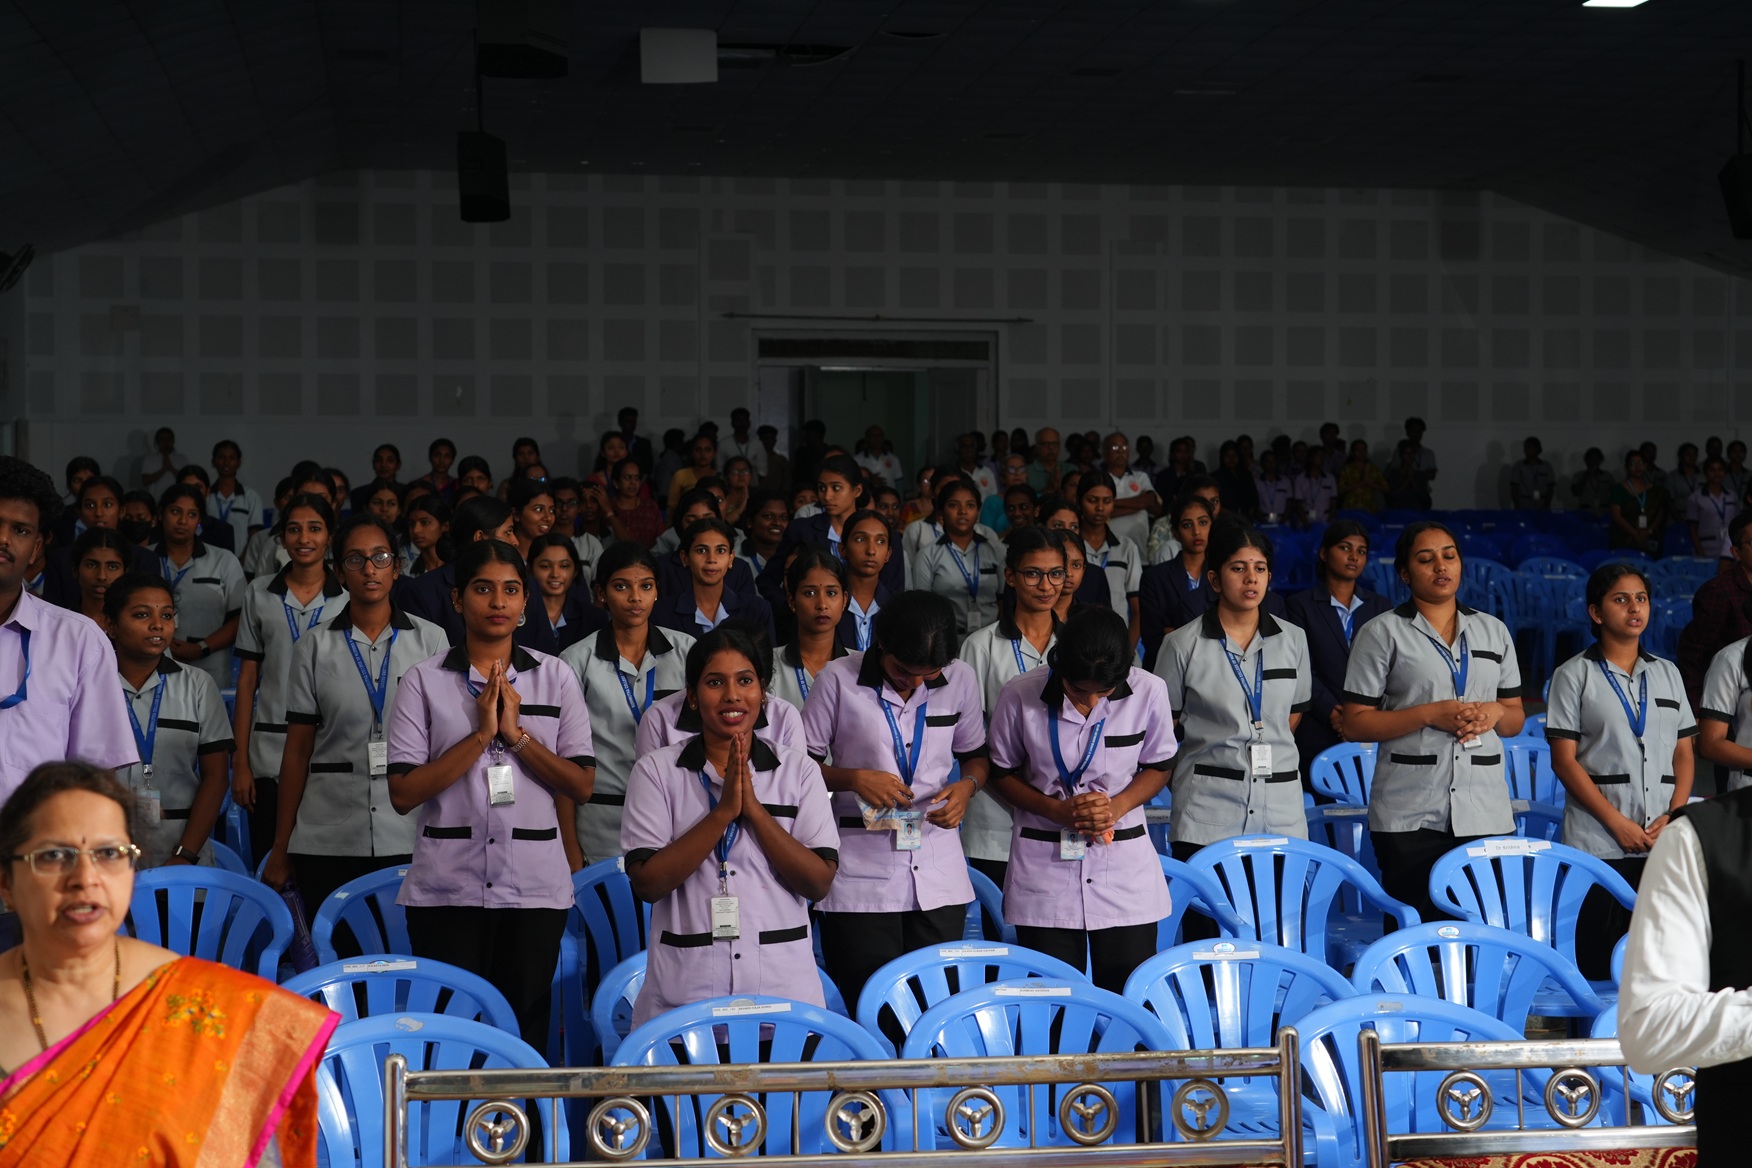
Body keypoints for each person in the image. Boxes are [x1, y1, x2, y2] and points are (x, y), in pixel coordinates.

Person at [0, 762, 337, 1165]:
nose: (85, 878)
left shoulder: (208, 1007)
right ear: (6, 883)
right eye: (55, 855)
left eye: (109, 853)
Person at [385, 539, 596, 1047]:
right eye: (483, 589)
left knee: (523, 1031)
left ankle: (524, 1128)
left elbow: (581, 784)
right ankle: (454, 1129)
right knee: (454, 1035)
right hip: (446, 889)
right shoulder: (423, 680)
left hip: (533, 887)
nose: (498, 602)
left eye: (510, 590)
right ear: (458, 600)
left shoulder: (557, 676)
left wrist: (516, 736)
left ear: (526, 603)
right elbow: (403, 792)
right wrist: (481, 736)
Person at [621, 626, 838, 1026]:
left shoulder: (799, 770)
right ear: (691, 695)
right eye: (715, 682)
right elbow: (648, 884)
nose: (732, 696)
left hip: (783, 996)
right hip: (685, 999)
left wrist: (754, 812)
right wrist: (721, 814)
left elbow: (818, 883)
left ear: (763, 692)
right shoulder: (656, 771)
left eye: (745, 681)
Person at [801, 590, 988, 1010]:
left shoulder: (961, 680)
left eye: (929, 674)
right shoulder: (837, 678)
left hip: (937, 867)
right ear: (881, 642)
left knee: (936, 1002)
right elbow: (798, 768)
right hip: (860, 870)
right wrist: (852, 778)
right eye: (905, 672)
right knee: (868, 1000)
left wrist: (967, 787)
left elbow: (976, 756)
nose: (916, 682)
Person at [258, 516, 450, 917]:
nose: (369, 569)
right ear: (339, 572)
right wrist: (281, 847)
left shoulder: (431, 640)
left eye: (380, 558)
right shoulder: (313, 645)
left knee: (406, 960)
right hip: (328, 838)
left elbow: (443, 746)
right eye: (355, 559)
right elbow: (296, 753)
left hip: (411, 832)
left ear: (396, 568)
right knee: (340, 958)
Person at [1341, 522, 1526, 923]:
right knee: (1418, 937)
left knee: (1481, 930)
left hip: (1484, 806)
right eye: (1425, 559)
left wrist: (1494, 712)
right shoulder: (1381, 633)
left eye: (1449, 556)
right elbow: (1355, 723)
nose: (1440, 566)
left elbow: (1514, 718)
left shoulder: (1493, 631)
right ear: (1405, 574)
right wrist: (1428, 714)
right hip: (1410, 810)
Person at [988, 607, 1174, 991]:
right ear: (1059, 665)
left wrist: (1116, 806)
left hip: (1123, 864)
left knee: (1129, 995)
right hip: (1046, 858)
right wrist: (1056, 810)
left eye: (1102, 692)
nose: (1089, 700)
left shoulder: (1149, 690)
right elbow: (1000, 772)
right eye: (1077, 691)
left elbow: (1160, 764)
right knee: (1052, 1003)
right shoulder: (1020, 694)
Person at [1547, 564, 1695, 978]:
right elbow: (1564, 760)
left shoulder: (1667, 673)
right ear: (1596, 613)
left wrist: (1676, 815)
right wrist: (1616, 823)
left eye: (1641, 598)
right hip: (1599, 839)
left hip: (1660, 837)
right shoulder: (1572, 675)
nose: (1634, 608)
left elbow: (1684, 754)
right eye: (1621, 599)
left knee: (1654, 962)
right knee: (1597, 960)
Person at [1154, 521, 1312, 855]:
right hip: (1207, 809)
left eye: (1260, 568)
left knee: (1280, 906)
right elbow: (1162, 730)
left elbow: (1294, 711)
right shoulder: (1181, 644)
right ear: (1214, 579)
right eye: (1238, 568)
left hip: (1281, 807)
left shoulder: (1294, 639)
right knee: (1208, 907)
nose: (1251, 578)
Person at [560, 541, 696, 866]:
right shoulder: (575, 661)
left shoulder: (688, 652)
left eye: (645, 586)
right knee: (610, 912)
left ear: (657, 592)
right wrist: (569, 850)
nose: (635, 597)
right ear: (601, 593)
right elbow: (562, 763)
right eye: (621, 587)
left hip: (676, 813)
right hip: (601, 818)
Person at [232, 495, 346, 869]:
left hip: (327, 747)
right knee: (269, 861)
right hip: (268, 749)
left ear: (330, 536)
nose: (304, 538)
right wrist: (242, 763)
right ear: (281, 537)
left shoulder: (347, 599)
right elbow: (247, 680)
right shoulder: (259, 592)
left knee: (317, 864)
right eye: (293, 529)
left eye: (315, 528)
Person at [957, 527, 1065, 888]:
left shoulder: (1078, 642)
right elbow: (970, 735)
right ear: (1011, 576)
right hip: (997, 806)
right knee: (998, 928)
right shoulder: (980, 645)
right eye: (1033, 573)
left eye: (1056, 574)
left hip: (1062, 801)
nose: (1046, 585)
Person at [104, 572, 233, 868]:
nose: (157, 625)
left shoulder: (199, 684)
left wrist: (185, 855)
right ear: (111, 625)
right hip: (108, 857)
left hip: (184, 853)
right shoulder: (90, 684)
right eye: (141, 615)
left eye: (167, 615)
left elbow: (216, 778)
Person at [1283, 521, 1393, 791]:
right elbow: (1300, 667)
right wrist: (1334, 713)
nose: (1354, 556)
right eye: (1345, 548)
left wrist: (1363, 713)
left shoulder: (1381, 606)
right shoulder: (1299, 605)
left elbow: (1390, 667)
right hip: (1319, 721)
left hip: (1371, 718)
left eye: (1362, 551)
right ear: (1323, 553)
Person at [395, 495, 517, 644]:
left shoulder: (524, 585)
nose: (515, 542)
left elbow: (545, 657)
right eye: (508, 532)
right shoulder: (421, 592)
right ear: (480, 537)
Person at [654, 518, 776, 646]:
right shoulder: (662, 613)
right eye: (701, 550)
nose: (711, 559)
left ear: (731, 559)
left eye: (721, 551)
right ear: (685, 558)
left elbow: (766, 663)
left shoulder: (757, 611)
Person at [1678, 510, 1752, 713]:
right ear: (1736, 552)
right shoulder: (1719, 592)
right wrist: (1696, 712)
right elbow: (1693, 655)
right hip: (1729, 700)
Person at [910, 478, 1001, 636]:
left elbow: (1004, 598)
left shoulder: (994, 550)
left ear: (978, 512)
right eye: (953, 505)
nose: (963, 511)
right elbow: (922, 608)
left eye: (970, 505)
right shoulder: (928, 554)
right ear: (941, 513)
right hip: (946, 640)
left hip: (991, 638)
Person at [1138, 496, 1216, 671]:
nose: (1197, 531)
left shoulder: (1222, 575)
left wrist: (1175, 632)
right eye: (1187, 525)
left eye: (1203, 523)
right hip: (1166, 669)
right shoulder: (1154, 578)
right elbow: (1153, 638)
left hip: (1214, 669)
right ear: (1175, 533)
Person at [770, 549, 849, 713]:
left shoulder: (860, 665)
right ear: (792, 601)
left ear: (844, 600)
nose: (822, 604)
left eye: (831, 593)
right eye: (810, 593)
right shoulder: (770, 665)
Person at [1075, 473, 1143, 650]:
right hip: (1077, 638)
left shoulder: (1126, 547)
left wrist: (1128, 651)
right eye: (1092, 500)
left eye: (1107, 501)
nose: (1100, 507)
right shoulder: (1070, 548)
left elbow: (1137, 609)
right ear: (1079, 501)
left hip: (1119, 641)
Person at [838, 509, 894, 653]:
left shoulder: (897, 608)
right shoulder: (829, 605)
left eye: (880, 541)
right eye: (861, 539)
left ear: (888, 554)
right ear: (842, 549)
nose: (871, 550)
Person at [1099, 432, 1162, 553]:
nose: (1120, 451)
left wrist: (1112, 503)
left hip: (1139, 551)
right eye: (1115, 447)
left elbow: (1150, 501)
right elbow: (1100, 514)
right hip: (1107, 551)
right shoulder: (1099, 478)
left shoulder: (1140, 477)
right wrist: (1139, 505)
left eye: (1124, 447)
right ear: (1104, 453)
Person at [206, 439, 263, 550]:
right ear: (214, 461)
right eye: (222, 457)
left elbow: (255, 534)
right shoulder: (206, 496)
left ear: (238, 463)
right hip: (208, 559)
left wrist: (243, 560)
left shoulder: (251, 497)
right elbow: (197, 526)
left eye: (231, 458)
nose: (226, 463)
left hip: (241, 561)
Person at [67, 527, 128, 626]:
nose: (102, 576)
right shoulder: (61, 624)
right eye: (92, 565)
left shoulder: (133, 625)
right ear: (75, 569)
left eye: (112, 567)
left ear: (125, 572)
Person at [1610, 449, 1667, 554]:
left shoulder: (1654, 491)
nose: (1637, 467)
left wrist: (1648, 532)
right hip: (1624, 538)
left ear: (1646, 466)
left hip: (1649, 538)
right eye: (1633, 463)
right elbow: (1616, 516)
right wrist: (1635, 534)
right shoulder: (1618, 489)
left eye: (1641, 463)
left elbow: (1660, 514)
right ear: (1626, 467)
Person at [1688, 457, 1739, 563]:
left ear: (1725, 472)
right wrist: (1700, 553)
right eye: (1712, 470)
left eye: (1720, 470)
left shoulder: (1732, 496)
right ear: (1706, 472)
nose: (1716, 473)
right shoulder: (1696, 497)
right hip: (1706, 547)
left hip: (1729, 548)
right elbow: (1692, 529)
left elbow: (1737, 524)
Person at [738, 490, 789, 577]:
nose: (777, 523)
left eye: (783, 517)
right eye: (769, 516)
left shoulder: (792, 558)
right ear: (750, 522)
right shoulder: (735, 558)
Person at [666, 433, 719, 513]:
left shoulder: (719, 477)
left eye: (707, 450)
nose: (702, 454)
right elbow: (672, 507)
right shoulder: (681, 475)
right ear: (692, 452)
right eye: (698, 450)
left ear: (714, 453)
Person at [978, 454, 1029, 536]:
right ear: (1003, 477)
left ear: (1027, 474)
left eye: (1021, 469)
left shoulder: (1036, 498)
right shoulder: (992, 502)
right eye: (1012, 469)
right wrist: (1008, 533)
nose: (1017, 473)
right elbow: (984, 537)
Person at [404, 493, 451, 578]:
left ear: (445, 526)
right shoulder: (406, 571)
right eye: (411, 524)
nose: (416, 530)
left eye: (425, 522)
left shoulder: (459, 566)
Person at [1290, 443, 1337, 528]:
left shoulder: (1330, 478)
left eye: (1323, 456)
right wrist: (1306, 523)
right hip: (1306, 521)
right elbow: (1298, 504)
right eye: (1319, 456)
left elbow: (1333, 502)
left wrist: (1329, 521)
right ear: (1311, 458)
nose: (1322, 459)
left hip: (1325, 520)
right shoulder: (1300, 479)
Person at [1336, 440, 1387, 513]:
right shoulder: (1346, 469)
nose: (1361, 453)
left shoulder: (1373, 469)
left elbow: (1386, 488)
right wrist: (1362, 482)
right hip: (1350, 508)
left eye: (1364, 450)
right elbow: (1341, 489)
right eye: (1358, 450)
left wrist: (1370, 483)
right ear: (1353, 452)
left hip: (1369, 509)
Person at [349, 444, 402, 514]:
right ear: (373, 464)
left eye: (390, 460)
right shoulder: (359, 494)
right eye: (379, 460)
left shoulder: (405, 492)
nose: (383, 465)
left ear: (398, 465)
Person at [1508, 437, 1555, 510]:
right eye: (1525, 448)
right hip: (1524, 503)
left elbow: (1550, 488)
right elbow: (1514, 488)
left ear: (1537, 449)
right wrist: (1517, 506)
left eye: (1529, 447)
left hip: (1542, 503)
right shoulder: (1518, 466)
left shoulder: (1546, 466)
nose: (1527, 450)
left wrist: (1547, 504)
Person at [1384, 440, 1432, 511]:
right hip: (1398, 511)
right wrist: (1406, 480)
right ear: (1401, 455)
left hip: (1416, 511)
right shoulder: (1394, 474)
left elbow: (1424, 496)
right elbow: (1391, 495)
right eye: (1406, 453)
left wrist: (1412, 479)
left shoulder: (1420, 475)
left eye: (1411, 453)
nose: (1409, 456)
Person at [1570, 446, 1615, 517]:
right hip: (1585, 513)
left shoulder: (1607, 476)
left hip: (1603, 513)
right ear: (1586, 460)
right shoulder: (1578, 475)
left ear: (1600, 460)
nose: (1594, 462)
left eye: (1597, 459)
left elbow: (1615, 494)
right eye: (1591, 459)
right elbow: (1575, 492)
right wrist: (1587, 475)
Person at [1025, 428, 1062, 494]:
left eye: (1054, 443)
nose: (1051, 447)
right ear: (1037, 447)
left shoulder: (1071, 468)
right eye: (1045, 444)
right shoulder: (1026, 472)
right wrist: (1049, 488)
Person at [1667, 442, 1703, 508]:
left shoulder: (1703, 476)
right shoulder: (1672, 477)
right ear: (1681, 456)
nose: (1692, 457)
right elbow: (1669, 501)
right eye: (1688, 454)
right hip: (1680, 514)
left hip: (1700, 514)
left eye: (1694, 454)